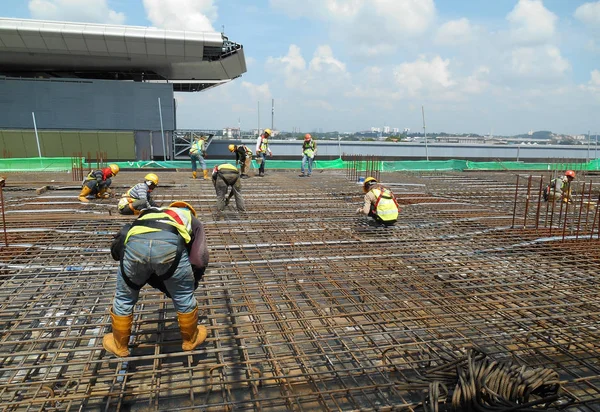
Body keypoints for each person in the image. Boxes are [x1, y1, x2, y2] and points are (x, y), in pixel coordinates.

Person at [103, 201, 209, 357]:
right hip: (169, 246)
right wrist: (190, 280)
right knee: (184, 296)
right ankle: (189, 340)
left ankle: (120, 346)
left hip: (134, 247)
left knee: (124, 297)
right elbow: (200, 259)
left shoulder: (150, 212)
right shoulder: (191, 218)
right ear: (190, 211)